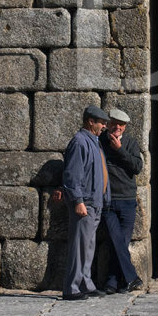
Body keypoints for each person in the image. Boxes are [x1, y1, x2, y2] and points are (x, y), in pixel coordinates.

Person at [61, 105, 111, 301]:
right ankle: (72, 287)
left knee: (88, 247)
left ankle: (86, 284)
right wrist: (77, 201)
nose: (104, 126)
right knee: (79, 247)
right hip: (86, 203)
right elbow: (72, 176)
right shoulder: (80, 142)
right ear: (91, 121)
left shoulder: (94, 142)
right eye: (101, 122)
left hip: (95, 203)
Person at [99, 109, 144, 295]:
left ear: (125, 127)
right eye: (114, 123)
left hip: (127, 201)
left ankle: (112, 282)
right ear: (108, 123)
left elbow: (137, 167)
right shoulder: (100, 142)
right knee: (115, 241)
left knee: (121, 243)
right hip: (108, 200)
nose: (117, 127)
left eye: (121, 125)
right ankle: (131, 278)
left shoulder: (131, 143)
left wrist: (120, 150)